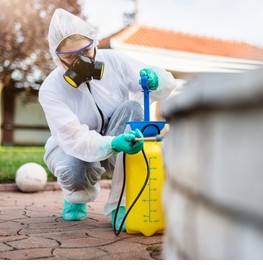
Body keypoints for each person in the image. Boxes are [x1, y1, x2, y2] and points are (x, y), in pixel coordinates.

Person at [38, 8, 176, 231]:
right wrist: (111, 143)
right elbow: (73, 137)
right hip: (72, 148)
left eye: (86, 51)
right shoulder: (52, 89)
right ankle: (76, 197)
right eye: (71, 57)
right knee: (73, 168)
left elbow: (161, 80)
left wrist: (156, 79)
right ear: (57, 58)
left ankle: (119, 204)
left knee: (132, 108)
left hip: (116, 131)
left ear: (95, 44)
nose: (81, 60)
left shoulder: (113, 61)